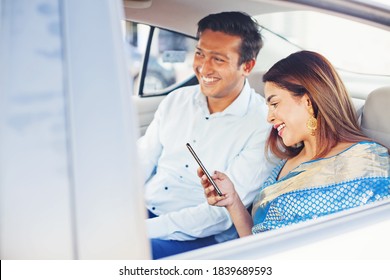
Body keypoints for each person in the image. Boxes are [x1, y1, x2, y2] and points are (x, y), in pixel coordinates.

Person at [199, 50, 390, 237]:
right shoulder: (284, 165)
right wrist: (232, 201)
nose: (269, 117)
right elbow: (257, 241)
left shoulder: (367, 163)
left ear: (308, 101)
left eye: (274, 104)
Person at [137, 11, 275, 258]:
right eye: (200, 53)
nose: (203, 67)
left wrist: (140, 230)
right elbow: (142, 160)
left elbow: (219, 215)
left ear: (247, 66)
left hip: (199, 235)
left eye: (218, 59)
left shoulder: (262, 125)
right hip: (143, 210)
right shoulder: (176, 100)